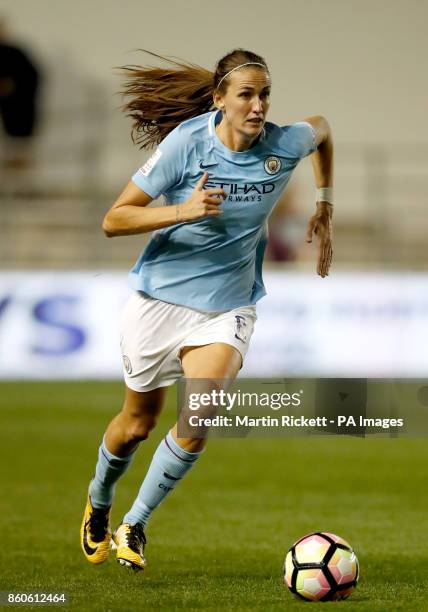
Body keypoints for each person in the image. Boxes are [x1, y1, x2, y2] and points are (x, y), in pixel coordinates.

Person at [80, 48, 333, 572]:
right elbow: (114, 219)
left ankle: (136, 524)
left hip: (228, 307)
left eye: (265, 94)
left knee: (199, 415)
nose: (258, 105)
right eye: (246, 94)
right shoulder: (187, 145)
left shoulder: (283, 144)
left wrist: (325, 202)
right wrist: (183, 209)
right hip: (159, 303)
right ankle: (99, 502)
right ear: (219, 100)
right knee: (136, 424)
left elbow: (324, 128)